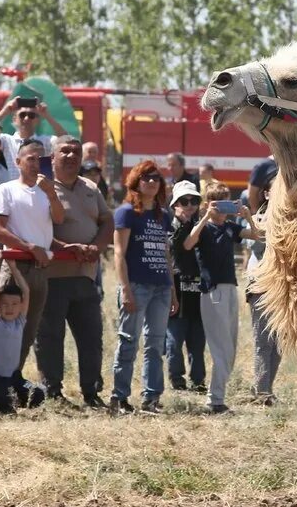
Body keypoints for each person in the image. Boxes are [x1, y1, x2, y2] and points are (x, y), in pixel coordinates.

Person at [37, 136, 112, 408]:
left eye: (75, 152)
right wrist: (65, 246)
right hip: (52, 277)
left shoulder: (91, 187)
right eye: (64, 151)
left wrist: (96, 247)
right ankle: (53, 393)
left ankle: (91, 393)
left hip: (86, 276)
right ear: (53, 157)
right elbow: (36, 230)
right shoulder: (41, 188)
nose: (70, 156)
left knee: (91, 338)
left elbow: (107, 221)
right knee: (50, 338)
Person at [0, 142, 64, 403]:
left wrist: (52, 194)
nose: (35, 163)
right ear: (18, 162)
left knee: (29, 328)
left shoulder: (47, 191)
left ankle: (13, 379)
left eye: (39, 159)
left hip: (40, 268)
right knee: (8, 324)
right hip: (14, 266)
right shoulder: (6, 189)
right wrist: (30, 247)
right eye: (30, 158)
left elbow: (58, 220)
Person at [185, 182, 263, 414]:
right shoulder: (204, 228)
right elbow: (189, 243)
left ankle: (217, 396)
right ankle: (214, 399)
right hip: (212, 290)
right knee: (222, 349)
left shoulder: (230, 227)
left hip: (230, 288)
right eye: (217, 201)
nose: (221, 207)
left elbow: (257, 236)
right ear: (208, 204)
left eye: (225, 201)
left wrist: (248, 216)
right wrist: (204, 218)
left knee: (231, 346)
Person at [109, 161, 175, 414]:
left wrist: (172, 290)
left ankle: (151, 398)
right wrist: (124, 288)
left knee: (156, 345)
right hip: (136, 285)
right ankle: (120, 398)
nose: (152, 181)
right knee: (128, 341)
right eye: (146, 177)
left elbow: (167, 255)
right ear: (136, 181)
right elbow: (118, 253)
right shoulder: (126, 212)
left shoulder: (164, 215)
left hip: (160, 286)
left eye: (156, 178)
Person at [166, 181, 208, 393]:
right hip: (177, 292)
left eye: (195, 200)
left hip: (198, 293)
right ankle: (177, 381)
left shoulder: (202, 226)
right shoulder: (168, 226)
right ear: (175, 204)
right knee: (174, 342)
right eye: (185, 200)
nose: (190, 205)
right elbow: (177, 248)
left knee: (198, 343)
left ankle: (199, 382)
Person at [0, 254, 33, 414]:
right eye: (5, 304)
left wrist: (13, 267)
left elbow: (26, 292)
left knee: (38, 394)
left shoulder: (19, 322)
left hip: (13, 376)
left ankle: (14, 400)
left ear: (21, 306)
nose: (9, 308)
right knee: (2, 403)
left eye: (14, 304)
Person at [244, 171, 281, 403]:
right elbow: (256, 243)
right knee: (262, 341)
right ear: (266, 193)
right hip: (260, 286)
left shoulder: (288, 217)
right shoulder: (257, 218)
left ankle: (266, 388)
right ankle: (262, 392)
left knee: (277, 344)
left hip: (280, 287)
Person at [0, 95, 63, 177]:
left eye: (31, 115)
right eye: (22, 115)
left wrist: (47, 115)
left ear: (37, 120)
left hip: (39, 187)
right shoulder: (7, 140)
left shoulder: (46, 141)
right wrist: (5, 111)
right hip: (13, 187)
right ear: (14, 119)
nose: (26, 118)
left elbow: (66, 140)